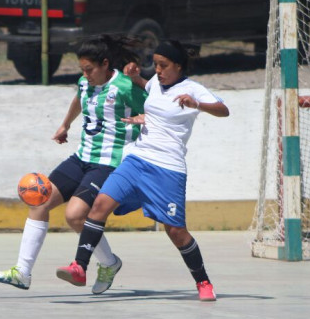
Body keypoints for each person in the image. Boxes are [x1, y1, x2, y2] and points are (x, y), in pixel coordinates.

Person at [54, 40, 230, 301]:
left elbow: (223, 110)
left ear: (178, 66)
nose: (158, 70)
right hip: (137, 159)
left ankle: (203, 281)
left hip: (167, 168)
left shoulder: (192, 89)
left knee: (176, 231)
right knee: (99, 205)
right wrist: (137, 77)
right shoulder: (156, 84)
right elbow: (149, 89)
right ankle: (80, 267)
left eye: (164, 65)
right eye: (156, 65)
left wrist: (197, 105)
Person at [0, 34, 147, 294]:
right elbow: (78, 99)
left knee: (74, 216)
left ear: (105, 64)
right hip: (81, 157)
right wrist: (65, 124)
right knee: (39, 200)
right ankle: (22, 273)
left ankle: (109, 263)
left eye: (90, 69)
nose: (86, 75)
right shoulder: (85, 83)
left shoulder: (125, 87)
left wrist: (143, 130)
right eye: (82, 70)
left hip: (108, 163)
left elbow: (154, 110)